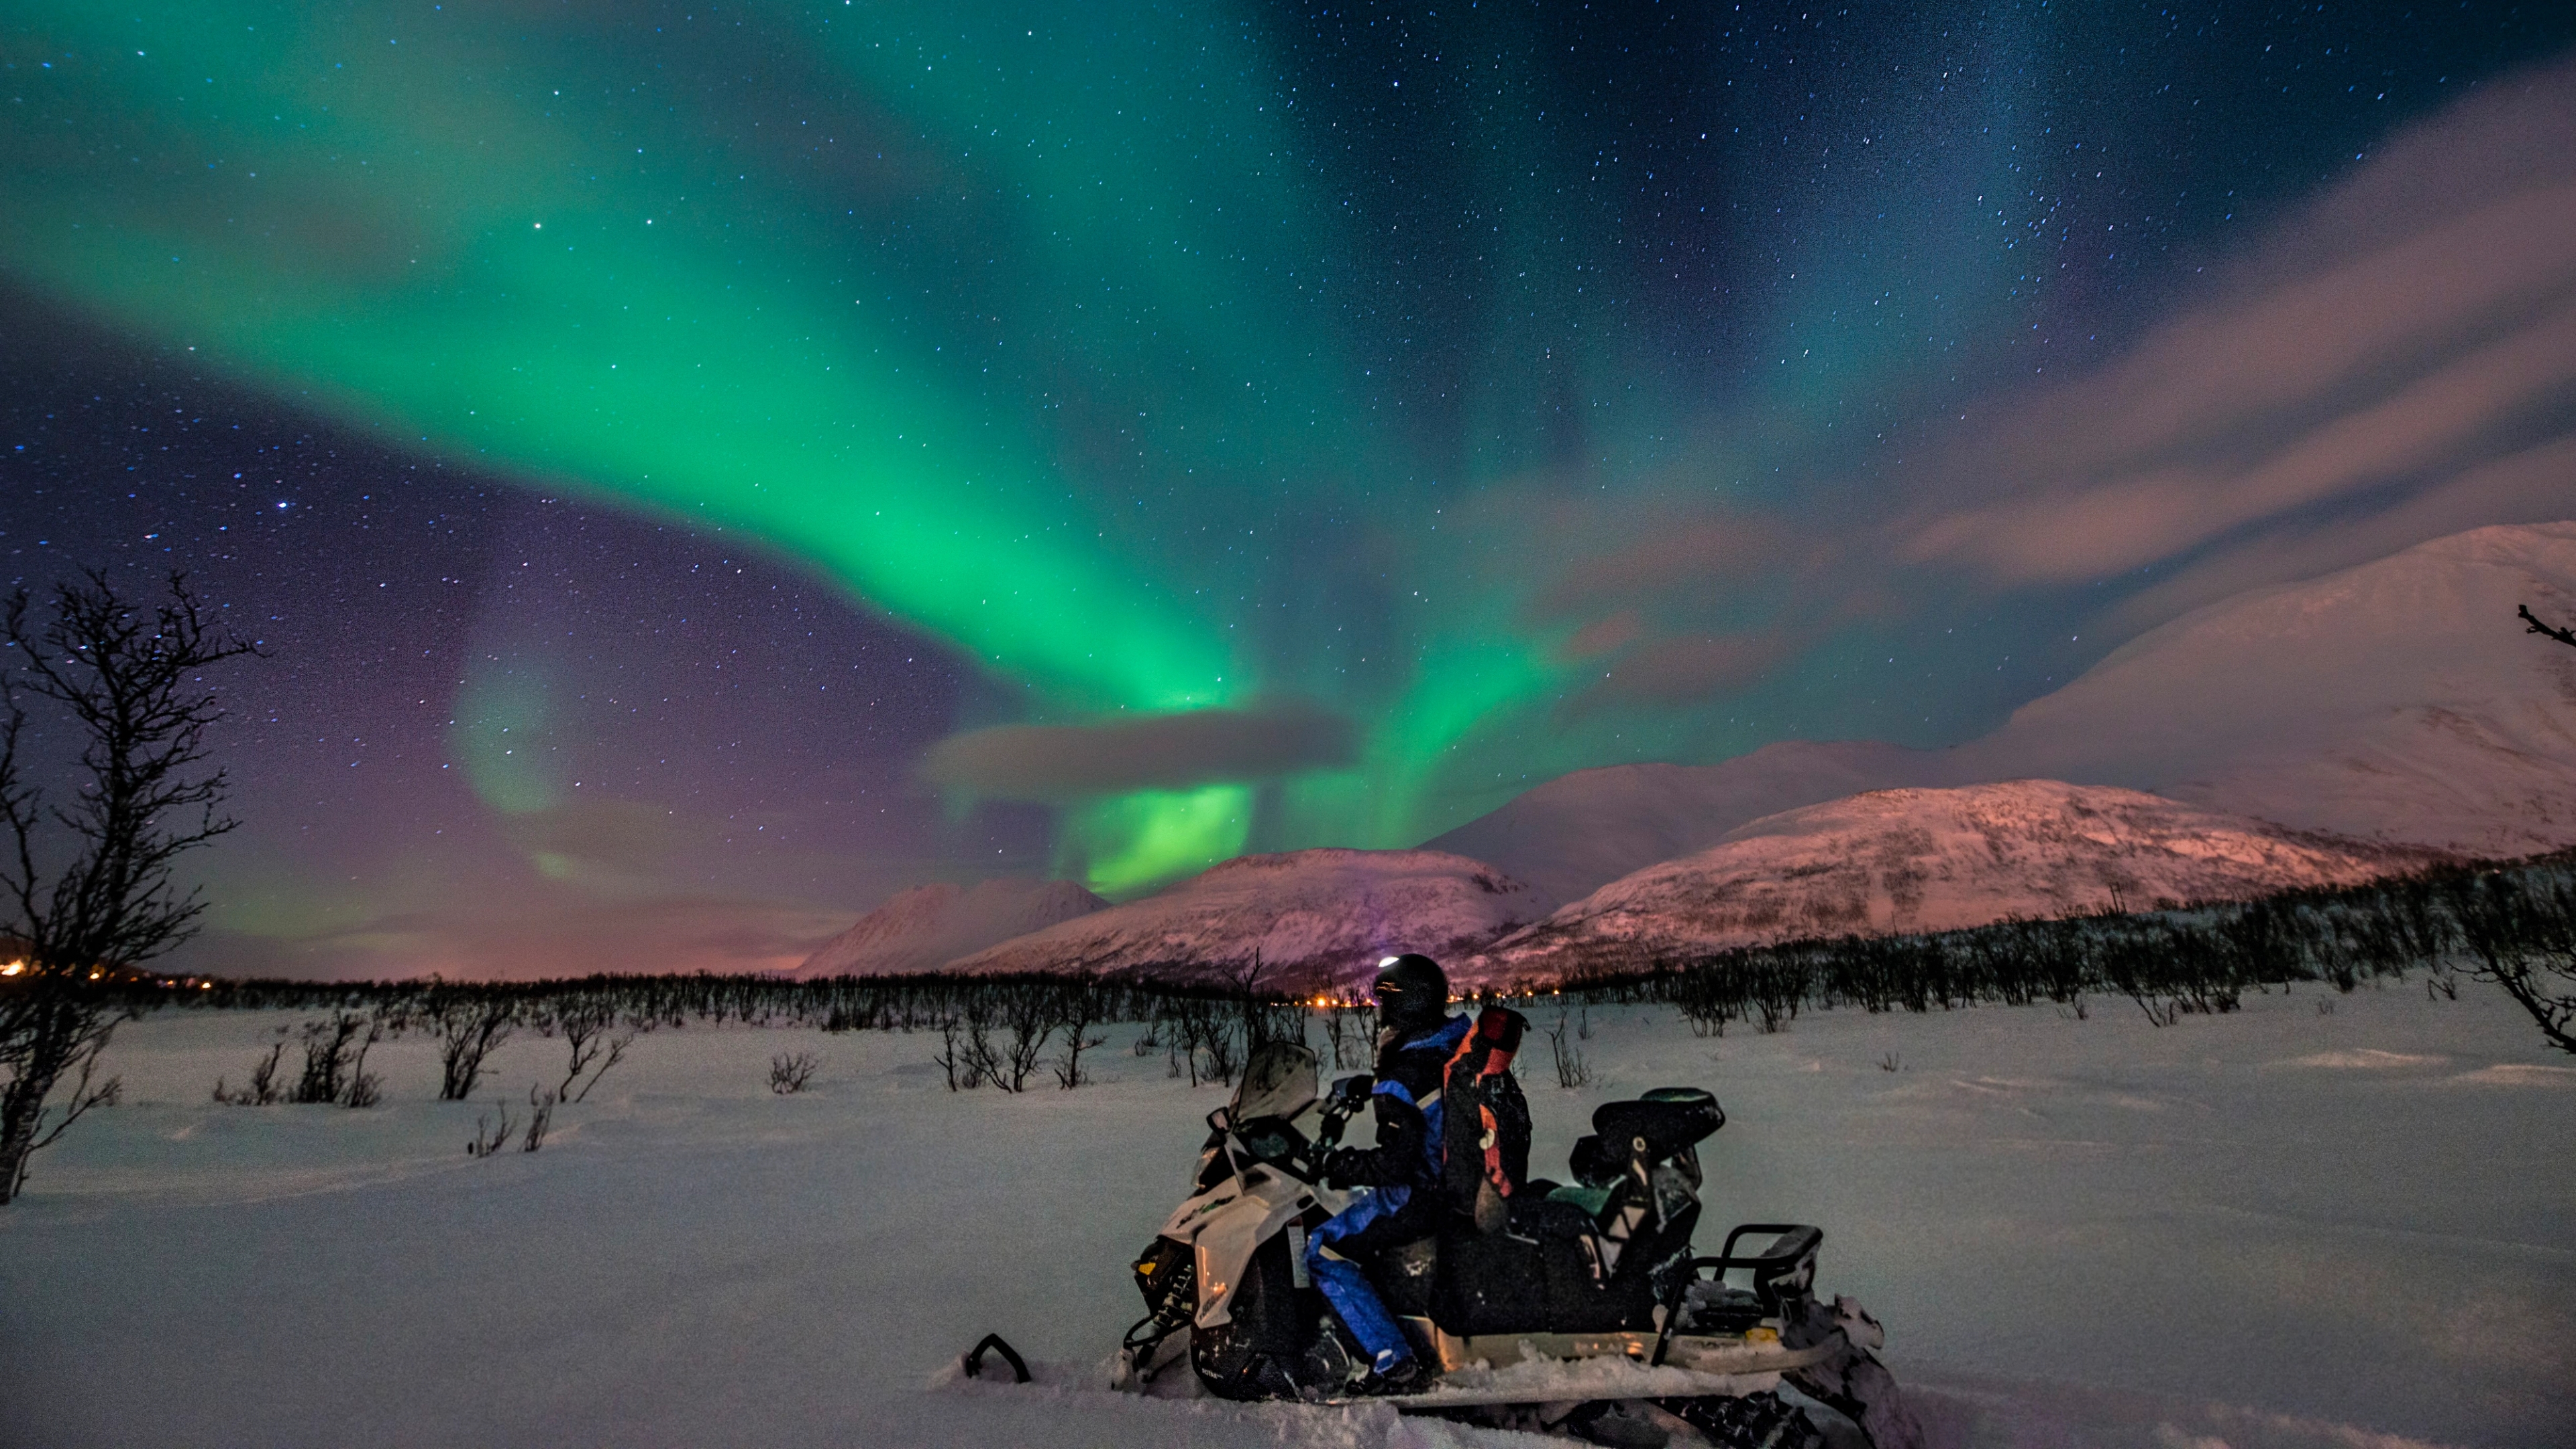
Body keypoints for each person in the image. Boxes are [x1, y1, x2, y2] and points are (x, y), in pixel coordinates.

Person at [1303, 952, 1468, 1394]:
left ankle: (1392, 1361)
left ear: (1407, 1004)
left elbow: (1396, 1163)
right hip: (1455, 1184)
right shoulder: (1452, 1045)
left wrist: (1337, 1165)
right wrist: (1371, 1085)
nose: (1382, 1010)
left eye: (1387, 1001)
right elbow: (1420, 1094)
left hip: (1420, 1193)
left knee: (1323, 1248)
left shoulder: (1407, 1071)